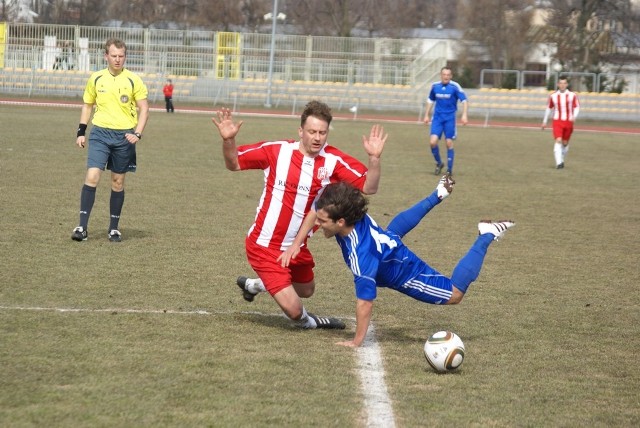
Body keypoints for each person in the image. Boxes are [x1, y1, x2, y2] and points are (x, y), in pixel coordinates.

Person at [211, 100, 387, 330]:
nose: (317, 137)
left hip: (297, 246)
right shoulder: (277, 151)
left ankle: (255, 285)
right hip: (264, 245)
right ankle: (312, 322)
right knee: (295, 311)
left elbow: (369, 187)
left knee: (306, 290)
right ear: (300, 131)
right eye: (312, 131)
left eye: (322, 133)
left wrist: (374, 158)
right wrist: (228, 140)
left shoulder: (333, 160)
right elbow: (233, 163)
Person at [313, 176, 515, 347]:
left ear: (340, 222)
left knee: (455, 294)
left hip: (404, 270)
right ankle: (438, 194)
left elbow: (365, 302)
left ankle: (486, 235)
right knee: (392, 233)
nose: (317, 223)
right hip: (383, 245)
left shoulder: (361, 256)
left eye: (322, 221)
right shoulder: (351, 213)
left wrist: (356, 342)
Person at [71, 38, 149, 242]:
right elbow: (88, 105)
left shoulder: (134, 80)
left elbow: (144, 109)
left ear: (125, 57)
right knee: (93, 176)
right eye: (113, 55)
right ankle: (82, 227)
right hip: (100, 134)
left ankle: (114, 228)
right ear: (106, 56)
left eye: (121, 56)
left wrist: (137, 133)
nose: (117, 59)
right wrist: (81, 131)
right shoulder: (96, 78)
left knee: (118, 181)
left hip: (124, 136)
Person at [423, 66, 468, 176]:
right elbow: (430, 100)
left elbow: (464, 100)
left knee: (448, 143)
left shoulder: (455, 87)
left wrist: (464, 115)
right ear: (441, 75)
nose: (446, 77)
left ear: (451, 76)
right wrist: (426, 115)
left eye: (448, 75)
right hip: (437, 118)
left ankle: (449, 169)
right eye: (444, 74)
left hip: (449, 118)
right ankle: (439, 163)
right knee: (432, 142)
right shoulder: (435, 86)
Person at [541, 76, 580, 169]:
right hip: (557, 121)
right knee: (558, 140)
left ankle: (561, 159)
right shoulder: (553, 96)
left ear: (567, 84)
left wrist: (574, 116)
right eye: (560, 83)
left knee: (565, 143)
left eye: (564, 83)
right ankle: (559, 163)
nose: (562, 85)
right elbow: (549, 108)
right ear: (558, 84)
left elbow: (577, 107)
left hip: (568, 122)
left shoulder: (572, 95)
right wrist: (544, 121)